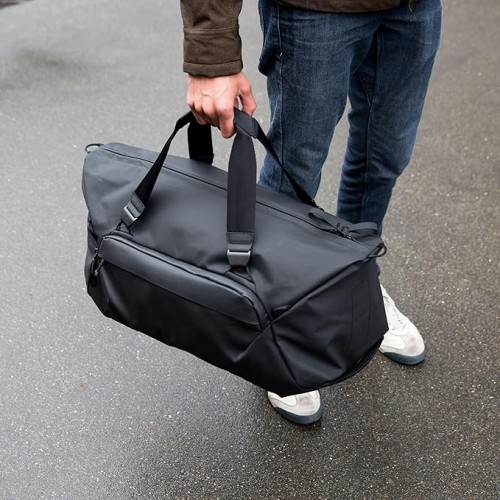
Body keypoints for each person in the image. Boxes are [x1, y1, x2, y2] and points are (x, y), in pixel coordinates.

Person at [180, 0, 442, 424]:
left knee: (383, 158)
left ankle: (357, 291)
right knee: (295, 167)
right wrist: (211, 54)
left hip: (413, 7)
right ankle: (276, 322)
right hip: (314, 10)